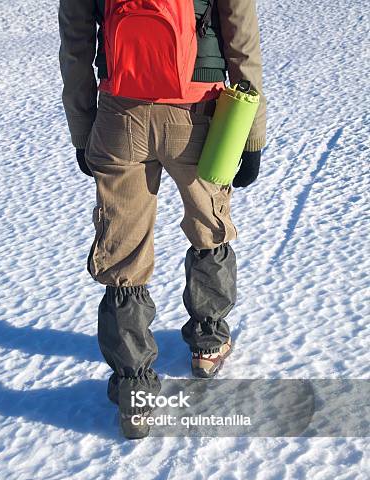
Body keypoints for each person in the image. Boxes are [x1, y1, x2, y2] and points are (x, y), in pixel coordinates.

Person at [59, 0, 266, 438]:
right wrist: (251, 134)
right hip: (197, 113)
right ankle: (208, 342)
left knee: (122, 252)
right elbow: (240, 37)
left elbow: (76, 46)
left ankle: (134, 391)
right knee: (209, 224)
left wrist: (83, 129)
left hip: (119, 116)